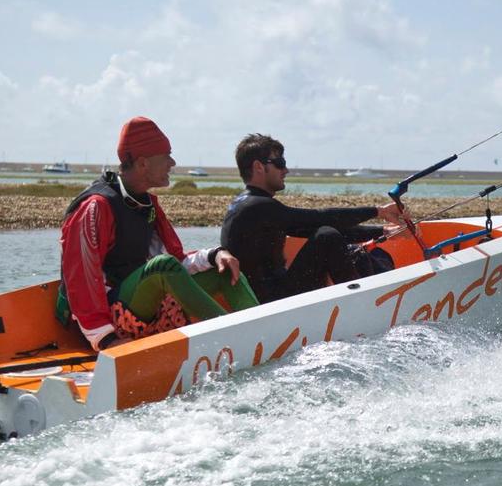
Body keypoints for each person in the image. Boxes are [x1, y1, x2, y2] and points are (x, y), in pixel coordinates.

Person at [58, 116, 258, 351]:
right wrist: (106, 339)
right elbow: (80, 275)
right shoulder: (96, 206)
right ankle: (236, 341)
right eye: (166, 156)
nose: (172, 163)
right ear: (143, 163)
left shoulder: (147, 203)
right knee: (161, 266)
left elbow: (178, 260)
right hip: (108, 321)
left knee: (224, 270)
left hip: (147, 308)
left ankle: (263, 332)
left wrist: (214, 255)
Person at [220, 133, 407, 303]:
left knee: (347, 247)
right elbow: (320, 219)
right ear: (258, 167)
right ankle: (363, 304)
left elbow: (310, 227)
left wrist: (382, 231)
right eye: (280, 163)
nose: (286, 170)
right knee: (327, 236)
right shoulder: (257, 206)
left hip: (271, 294)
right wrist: (378, 211)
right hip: (271, 303)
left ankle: (375, 294)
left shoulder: (248, 205)